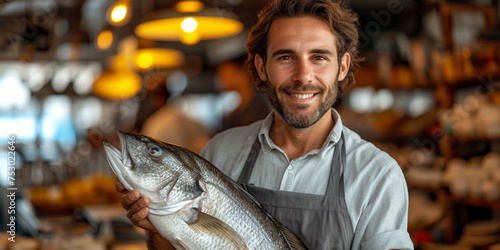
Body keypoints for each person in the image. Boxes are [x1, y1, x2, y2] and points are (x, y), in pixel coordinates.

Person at [117, 0, 414, 249]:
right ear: (262, 67)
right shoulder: (220, 152)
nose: (303, 75)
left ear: (343, 67)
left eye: (319, 58)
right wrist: (156, 229)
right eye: (286, 57)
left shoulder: (377, 175)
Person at [216, 56, 272, 131]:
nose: (221, 77)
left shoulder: (257, 109)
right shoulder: (241, 108)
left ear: (243, 74)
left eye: (225, 73)